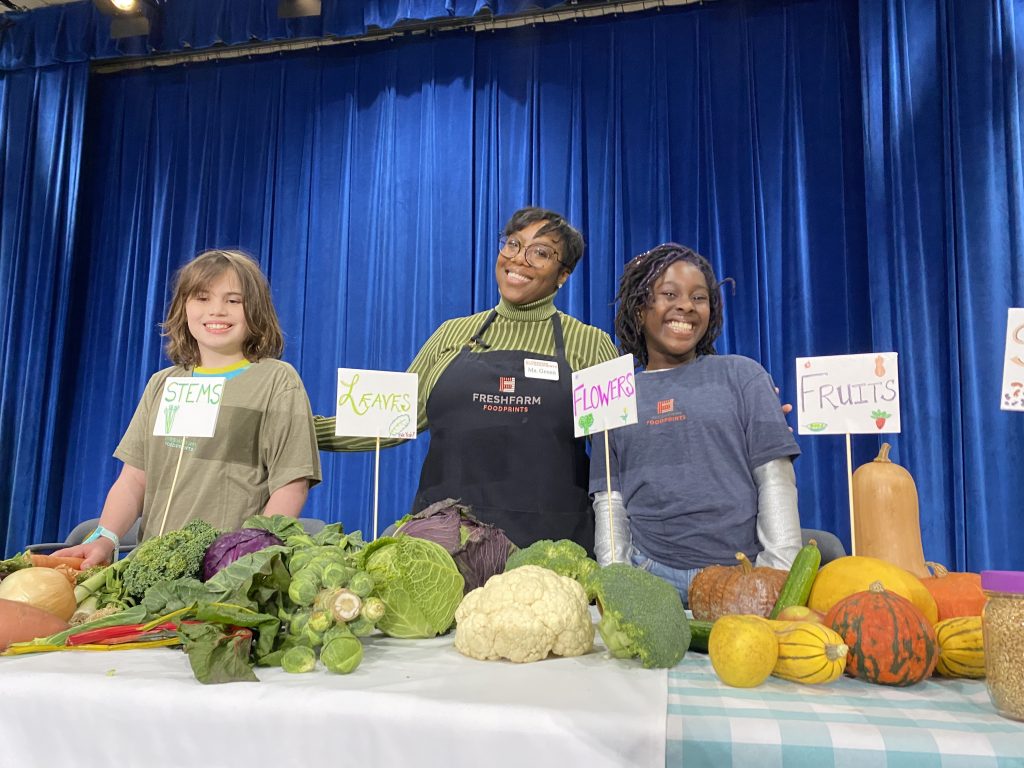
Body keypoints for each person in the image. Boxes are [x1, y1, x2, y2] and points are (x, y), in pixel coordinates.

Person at [316, 207, 619, 550]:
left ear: (563, 273)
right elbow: (390, 420)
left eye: (541, 252)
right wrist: (297, 431)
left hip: (550, 550)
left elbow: (618, 454)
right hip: (447, 546)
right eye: (513, 244)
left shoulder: (592, 344)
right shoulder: (451, 334)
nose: (520, 260)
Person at [58, 249, 322, 568]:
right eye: (202, 298)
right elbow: (133, 481)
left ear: (256, 310)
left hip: (225, 576)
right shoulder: (162, 383)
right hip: (153, 569)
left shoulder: (277, 380)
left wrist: (245, 557)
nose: (217, 310)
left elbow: (291, 483)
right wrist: (104, 539)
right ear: (184, 308)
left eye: (233, 300)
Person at [590, 243, 802, 602]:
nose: (686, 305)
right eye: (669, 294)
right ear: (640, 309)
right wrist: (617, 583)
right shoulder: (611, 392)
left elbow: (775, 479)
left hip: (740, 574)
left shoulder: (744, 375)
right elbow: (609, 499)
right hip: (649, 576)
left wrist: (775, 573)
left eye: (699, 297)